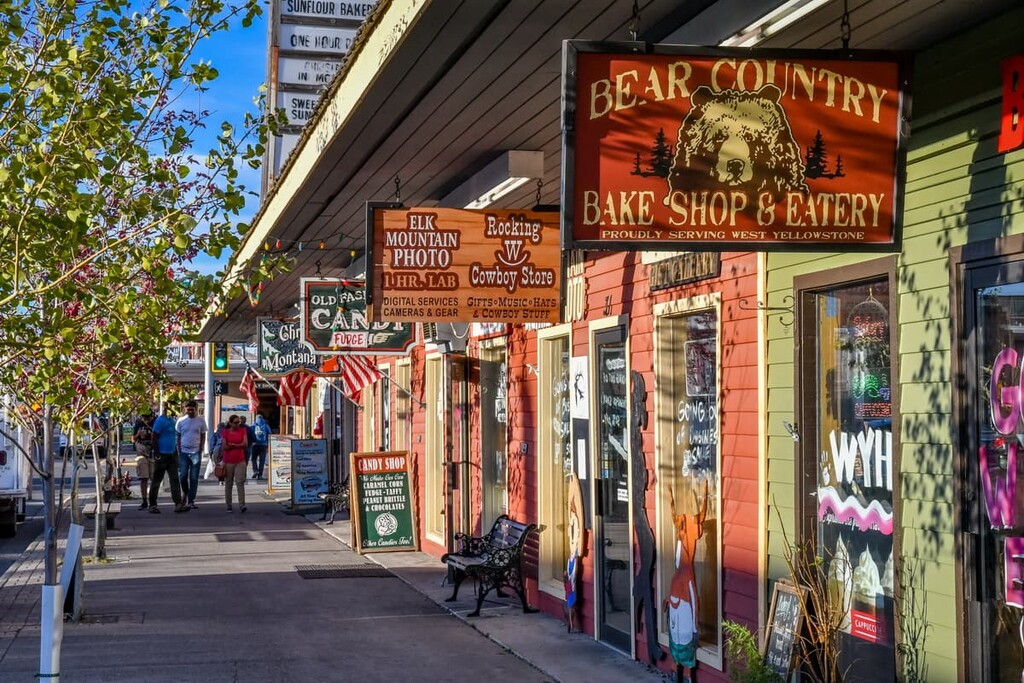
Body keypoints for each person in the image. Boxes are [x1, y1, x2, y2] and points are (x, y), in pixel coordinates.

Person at [149, 406, 187, 514]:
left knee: (174, 479)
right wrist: (156, 452)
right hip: (162, 454)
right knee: (157, 479)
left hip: (172, 453)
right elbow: (154, 436)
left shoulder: (172, 420)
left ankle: (178, 503)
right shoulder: (161, 421)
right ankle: (152, 505)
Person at [176, 400, 206, 510]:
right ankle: (185, 493)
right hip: (183, 452)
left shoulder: (201, 421)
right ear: (185, 409)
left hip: (195, 452)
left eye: (192, 409)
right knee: (182, 476)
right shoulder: (180, 421)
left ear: (196, 409)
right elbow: (178, 436)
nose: (189, 411)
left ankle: (191, 500)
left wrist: (201, 448)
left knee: (194, 478)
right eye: (187, 409)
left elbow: (203, 435)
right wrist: (179, 449)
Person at [220, 416, 248, 512]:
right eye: (235, 422)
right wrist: (237, 445)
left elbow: (245, 444)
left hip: (240, 460)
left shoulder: (242, 430)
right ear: (231, 423)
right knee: (229, 483)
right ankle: (229, 505)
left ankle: (242, 504)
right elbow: (224, 446)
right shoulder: (225, 432)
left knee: (240, 482)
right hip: (228, 461)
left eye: (238, 422)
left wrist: (233, 445)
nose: (237, 424)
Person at [132, 409, 155, 510]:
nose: (146, 420)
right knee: (143, 478)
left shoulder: (155, 424)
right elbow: (132, 439)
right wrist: (138, 435)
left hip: (152, 453)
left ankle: (153, 500)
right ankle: (144, 500)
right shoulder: (138, 424)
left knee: (153, 477)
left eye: (148, 417)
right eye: (144, 417)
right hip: (141, 453)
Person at [250, 412, 272, 480]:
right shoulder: (266, 426)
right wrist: (269, 445)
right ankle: (260, 475)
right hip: (263, 445)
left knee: (253, 459)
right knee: (262, 460)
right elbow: (270, 434)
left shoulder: (253, 426)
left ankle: (255, 470)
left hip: (255, 445)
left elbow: (250, 434)